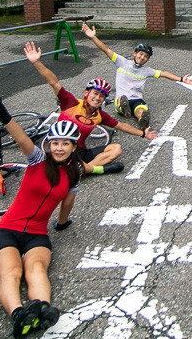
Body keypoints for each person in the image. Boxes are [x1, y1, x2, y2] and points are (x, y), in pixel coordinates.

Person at [0, 101, 117, 339]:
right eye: (55, 143)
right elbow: (22, 141)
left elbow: (68, 202)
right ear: (48, 145)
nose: (59, 148)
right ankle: (18, 315)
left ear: (73, 147)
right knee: (12, 272)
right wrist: (5, 117)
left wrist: (61, 223)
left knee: (37, 270)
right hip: (7, 229)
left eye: (65, 144)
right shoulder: (38, 160)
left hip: (37, 234)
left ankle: (43, 310)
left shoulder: (75, 171)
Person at [24, 42, 158, 215]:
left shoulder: (99, 115)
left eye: (102, 96)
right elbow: (53, 81)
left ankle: (84, 170)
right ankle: (94, 169)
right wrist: (36, 62)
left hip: (79, 152)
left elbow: (121, 125)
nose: (98, 98)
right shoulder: (70, 102)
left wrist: (142, 133)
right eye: (95, 93)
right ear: (87, 93)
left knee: (116, 148)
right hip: (60, 149)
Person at [81, 22, 192, 130]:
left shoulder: (146, 71)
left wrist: (181, 79)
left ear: (147, 59)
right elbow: (106, 49)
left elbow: (164, 74)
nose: (142, 57)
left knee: (141, 110)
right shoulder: (121, 62)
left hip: (136, 99)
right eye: (140, 54)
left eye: (146, 56)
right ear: (135, 53)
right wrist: (93, 37)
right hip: (122, 98)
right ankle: (123, 108)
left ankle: (142, 120)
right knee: (122, 100)